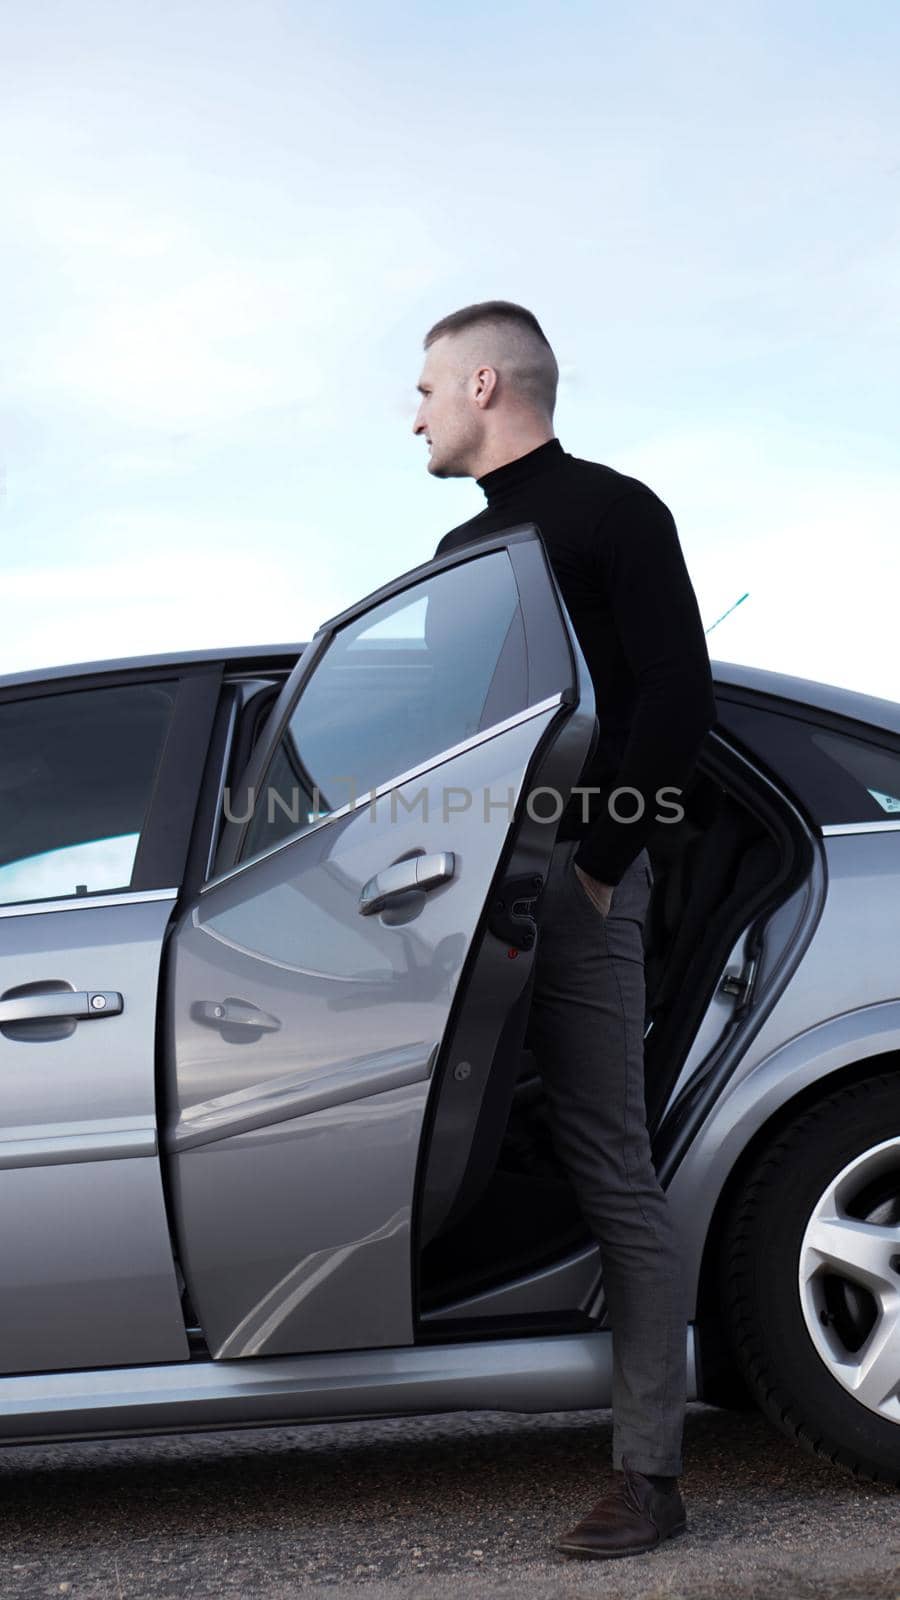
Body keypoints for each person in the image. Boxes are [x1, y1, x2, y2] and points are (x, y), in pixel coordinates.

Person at [412, 301, 716, 1560]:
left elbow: (675, 699)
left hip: (582, 894)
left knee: (610, 1164)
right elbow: (447, 739)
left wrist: (597, 866)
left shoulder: (613, 512)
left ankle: (649, 1474)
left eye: (425, 386)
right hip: (462, 899)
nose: (414, 410)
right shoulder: (457, 549)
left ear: (486, 381)